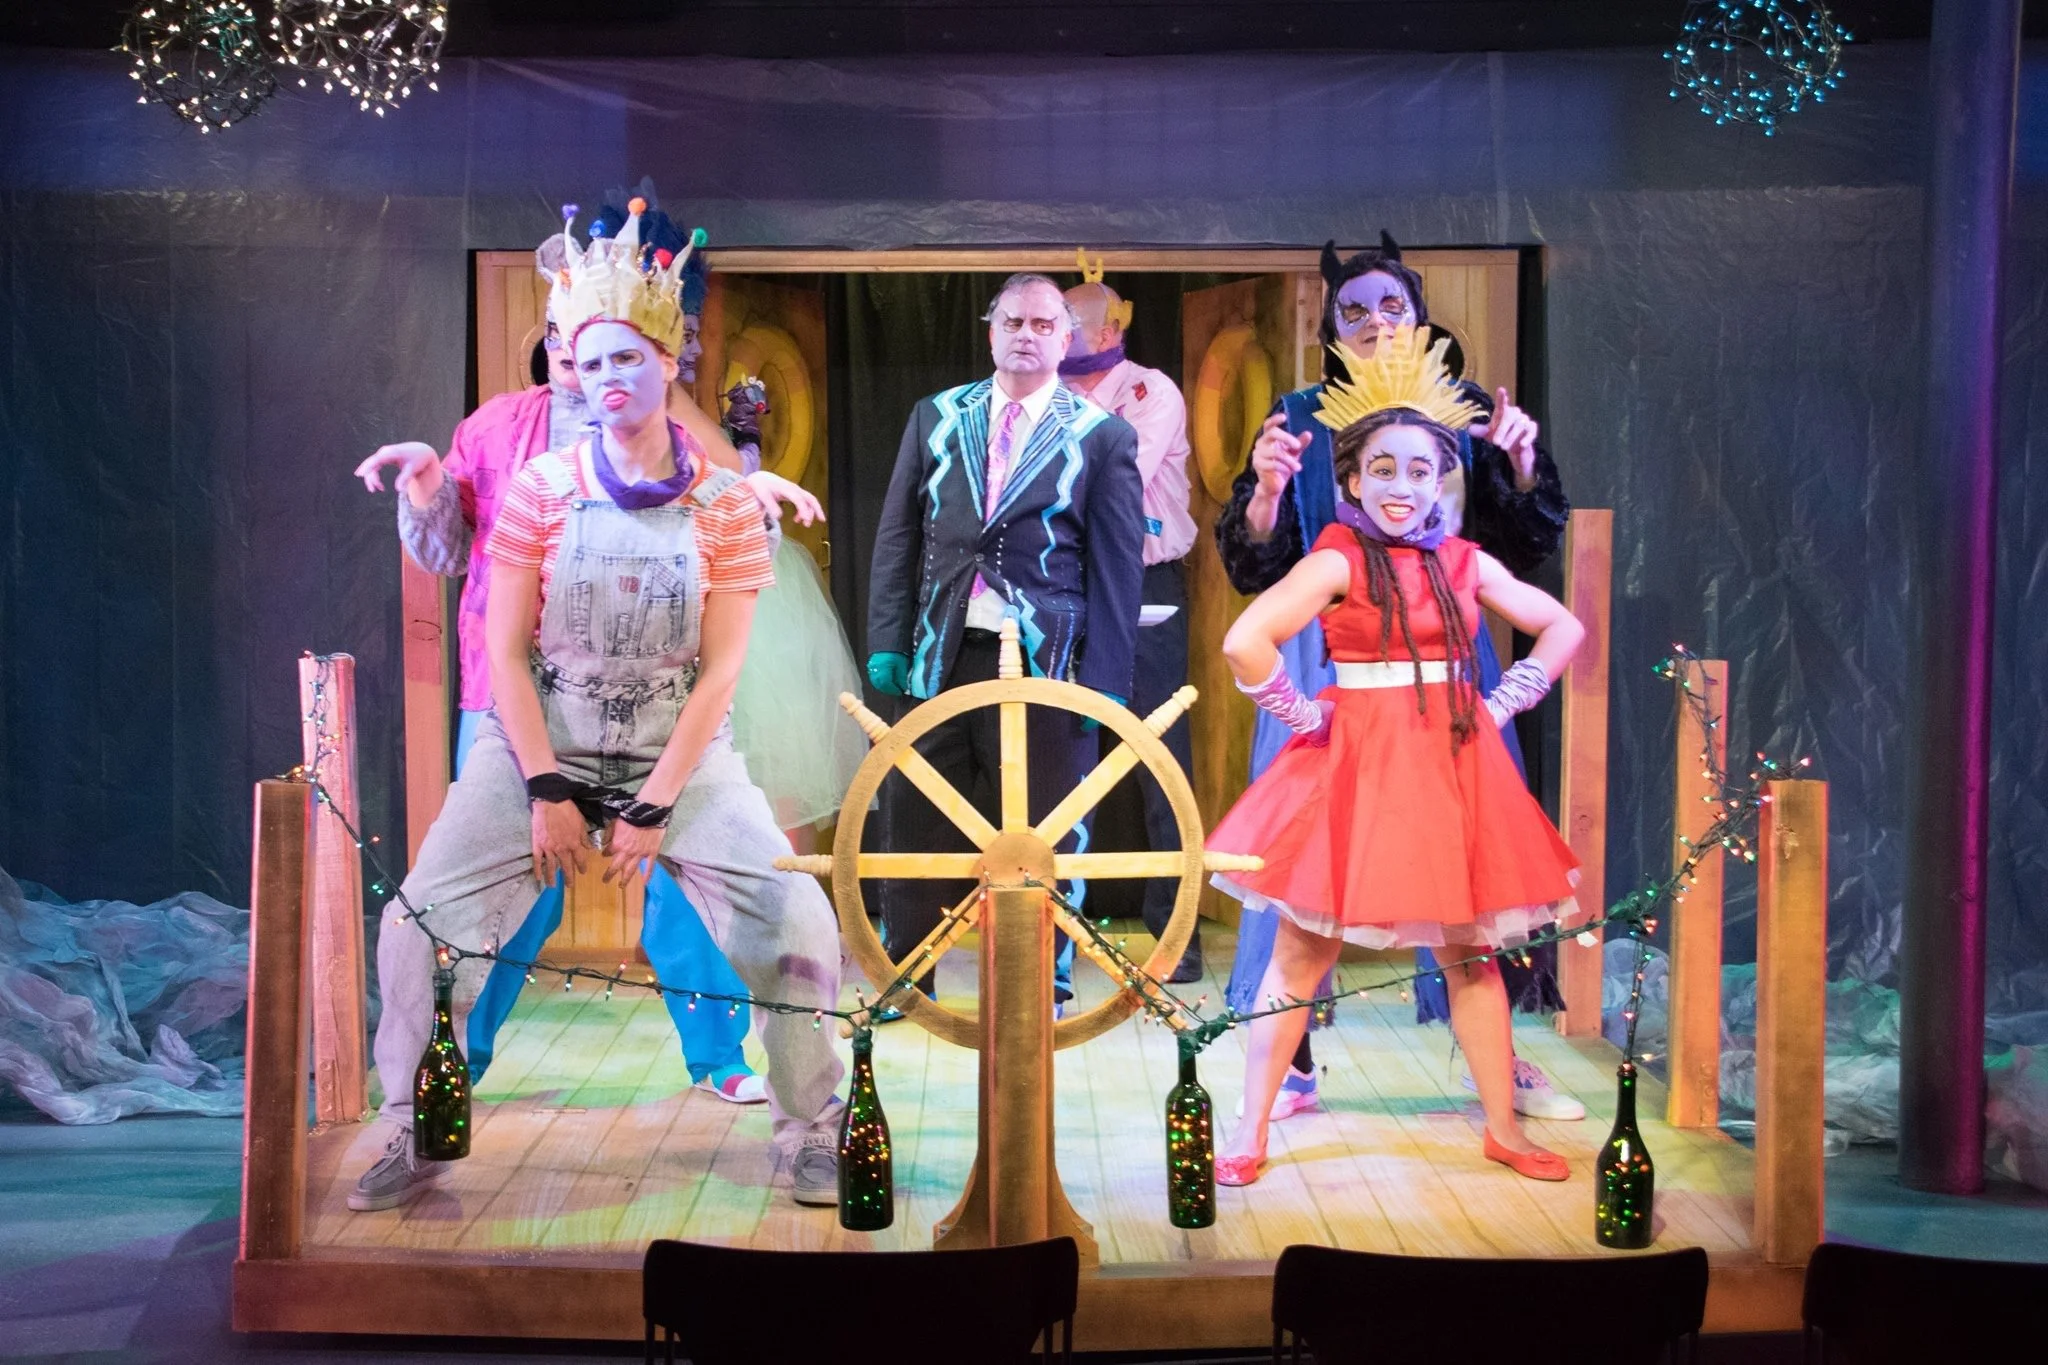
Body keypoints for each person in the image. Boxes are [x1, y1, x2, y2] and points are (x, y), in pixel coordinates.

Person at [349, 202, 845, 1212]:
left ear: (668, 361)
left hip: (679, 749)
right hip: (541, 737)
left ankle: (811, 1125)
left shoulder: (723, 503)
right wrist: (544, 790)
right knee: (417, 920)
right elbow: (503, 648)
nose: (605, 377)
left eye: (627, 357)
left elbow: (722, 671)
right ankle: (414, 1122)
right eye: (587, 361)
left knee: (795, 914)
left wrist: (657, 804)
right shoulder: (536, 484)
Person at [1213, 234, 1582, 1124]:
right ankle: (1289, 1061)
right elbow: (1256, 570)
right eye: (1355, 310)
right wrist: (1264, 494)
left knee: (1475, 861)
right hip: (1330, 653)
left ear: (1418, 316)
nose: (1375, 322)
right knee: (1305, 862)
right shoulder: (1298, 419)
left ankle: (1495, 1056)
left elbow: (1523, 546)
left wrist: (1521, 468)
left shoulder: (1466, 413)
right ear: (1333, 329)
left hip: (1446, 652)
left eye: (1392, 305)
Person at [865, 272, 1147, 1011]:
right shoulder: (936, 415)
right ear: (990, 331)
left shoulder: (1102, 435)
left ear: (1066, 338)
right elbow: (898, 534)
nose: (1026, 335)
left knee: (1045, 826)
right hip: (941, 650)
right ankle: (908, 976)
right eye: (1013, 321)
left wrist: (1106, 676)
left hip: (1048, 660)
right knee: (916, 817)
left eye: (1043, 324)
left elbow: (1117, 566)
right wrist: (889, 636)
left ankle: (1040, 983)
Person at [1061, 256, 1203, 983]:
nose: (1054, 335)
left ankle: (1176, 935)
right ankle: (1050, 934)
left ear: (1111, 327)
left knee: (1159, 754)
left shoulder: (1150, 389)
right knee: (1055, 754)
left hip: (1145, 579)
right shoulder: (1039, 395)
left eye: (1067, 323)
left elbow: (1115, 479)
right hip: (1065, 583)